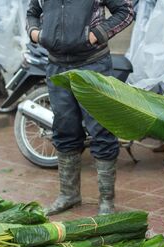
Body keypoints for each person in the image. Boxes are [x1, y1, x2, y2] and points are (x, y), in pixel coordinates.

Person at [26, 0, 134, 216]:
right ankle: (69, 195)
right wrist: (36, 34)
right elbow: (32, 13)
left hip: (93, 64)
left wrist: (96, 34)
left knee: (102, 131)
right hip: (57, 66)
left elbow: (126, 11)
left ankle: (106, 201)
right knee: (64, 130)